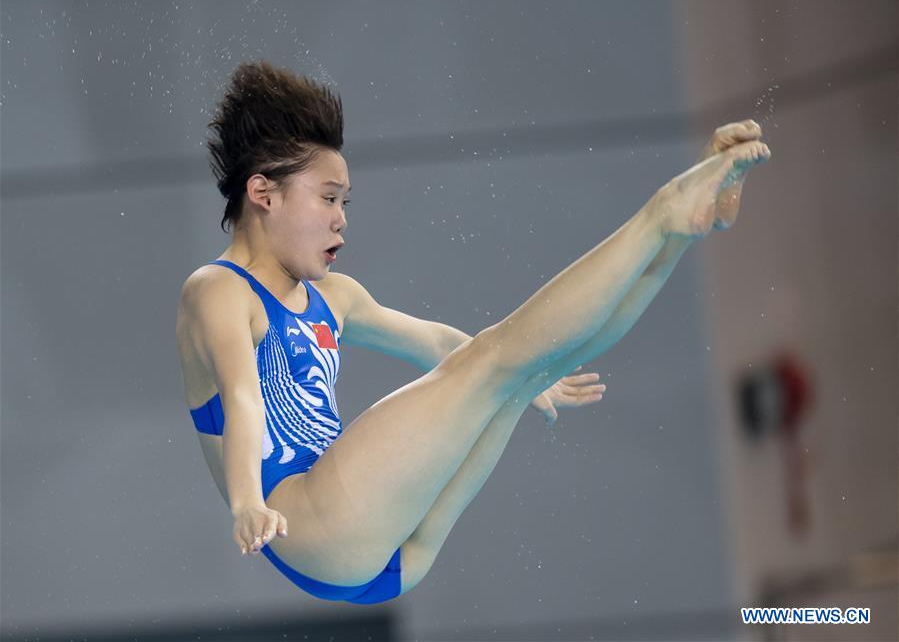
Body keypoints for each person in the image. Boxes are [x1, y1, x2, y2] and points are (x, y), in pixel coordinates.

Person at [175, 60, 770, 604]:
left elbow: (436, 343)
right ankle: (662, 209)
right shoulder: (217, 290)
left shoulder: (335, 297)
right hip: (311, 521)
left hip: (386, 553)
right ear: (262, 194)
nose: (341, 220)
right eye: (329, 198)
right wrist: (246, 501)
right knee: (495, 357)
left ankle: (681, 233)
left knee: (527, 367)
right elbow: (243, 395)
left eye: (346, 202)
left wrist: (533, 372)